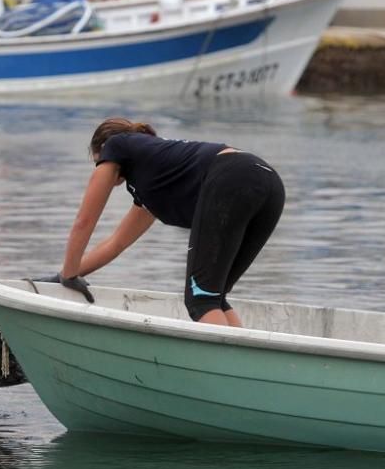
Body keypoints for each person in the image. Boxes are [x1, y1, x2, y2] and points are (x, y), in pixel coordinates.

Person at [52, 117, 285, 327]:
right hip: (269, 182)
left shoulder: (116, 144)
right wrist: (65, 274)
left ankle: (228, 370)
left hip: (233, 177)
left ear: (102, 151)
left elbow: (84, 221)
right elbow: (116, 243)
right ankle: (244, 366)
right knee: (213, 297)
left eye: (97, 162)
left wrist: (69, 276)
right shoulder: (156, 179)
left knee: (201, 300)